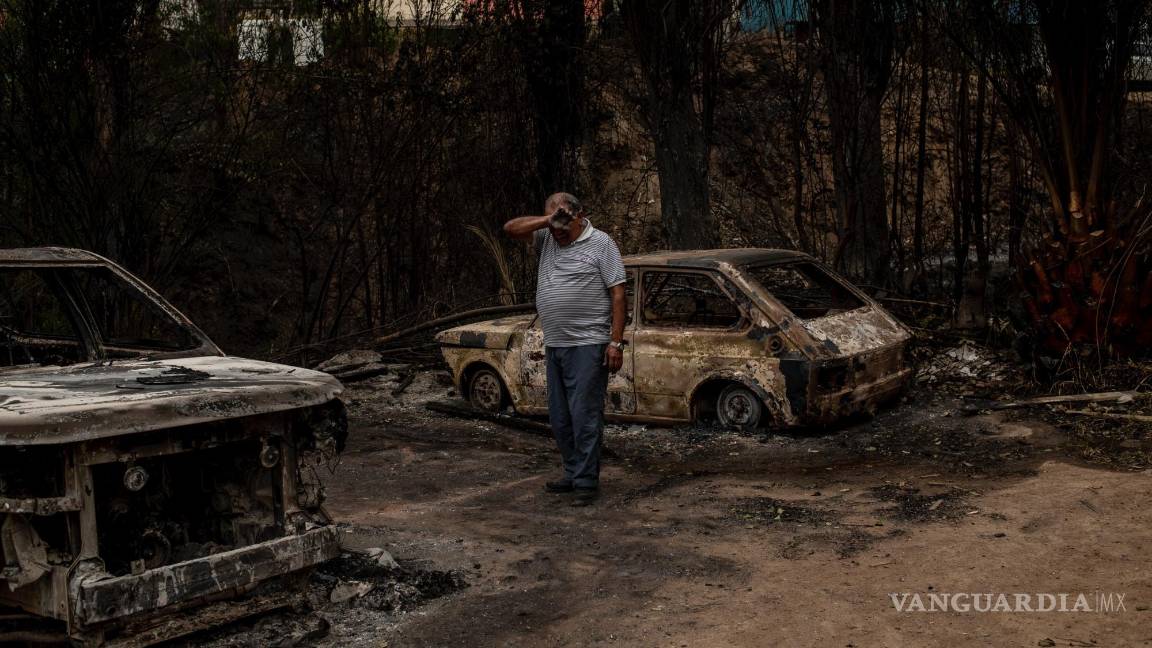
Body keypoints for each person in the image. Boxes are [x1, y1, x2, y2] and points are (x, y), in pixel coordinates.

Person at [504, 193, 627, 506]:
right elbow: (510, 229)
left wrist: (615, 342)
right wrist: (550, 220)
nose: (558, 231)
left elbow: (618, 295)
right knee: (560, 417)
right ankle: (572, 472)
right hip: (556, 342)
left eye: (564, 222)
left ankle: (586, 481)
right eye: (553, 222)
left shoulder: (601, 243)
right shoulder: (547, 235)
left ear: (579, 215)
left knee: (584, 414)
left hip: (589, 343)